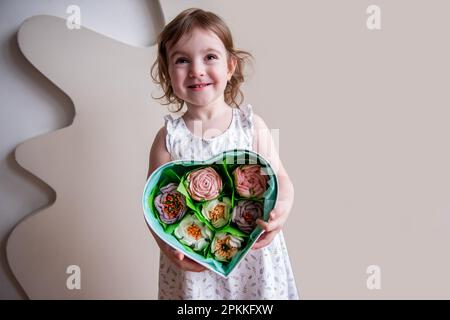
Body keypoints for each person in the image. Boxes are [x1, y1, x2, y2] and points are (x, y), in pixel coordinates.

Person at [147, 8, 299, 299]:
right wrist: (167, 247)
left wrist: (282, 211)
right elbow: (154, 208)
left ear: (230, 66)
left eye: (210, 57)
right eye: (181, 60)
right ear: (168, 73)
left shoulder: (251, 126)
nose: (196, 69)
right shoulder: (168, 138)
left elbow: (281, 178)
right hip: (195, 260)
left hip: (254, 257)